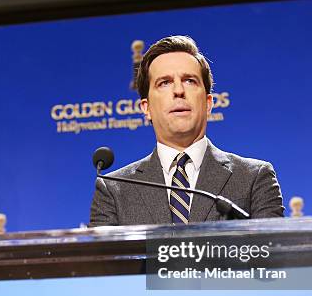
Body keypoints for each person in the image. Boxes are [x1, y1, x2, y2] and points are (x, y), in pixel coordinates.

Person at [90, 35, 284, 226]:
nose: (178, 90)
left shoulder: (254, 177)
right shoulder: (114, 189)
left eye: (189, 80)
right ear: (146, 108)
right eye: (164, 82)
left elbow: (270, 254)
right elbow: (102, 258)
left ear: (208, 104)